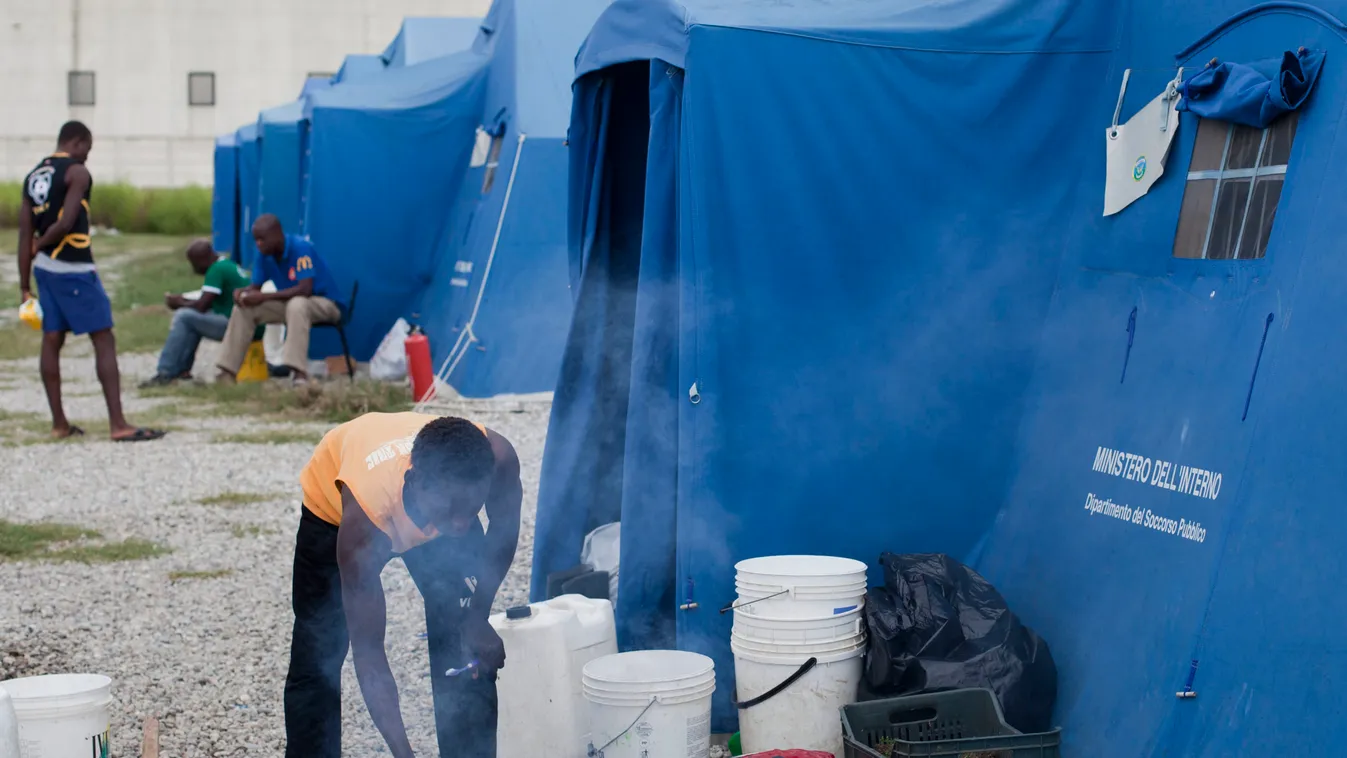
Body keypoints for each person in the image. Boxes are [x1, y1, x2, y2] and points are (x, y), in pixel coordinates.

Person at [288, 412, 522, 758]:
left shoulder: (497, 459)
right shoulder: (362, 525)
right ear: (415, 481)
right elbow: (369, 651)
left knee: (468, 643)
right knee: (318, 654)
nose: (460, 524)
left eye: (471, 509)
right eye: (453, 510)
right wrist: (404, 753)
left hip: (426, 493)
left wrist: (477, 615)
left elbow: (502, 532)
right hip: (332, 514)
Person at [15, 121, 165, 442]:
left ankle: (59, 423)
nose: (87, 157)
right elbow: (67, 221)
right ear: (79, 142)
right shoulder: (76, 173)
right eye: (88, 149)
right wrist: (41, 244)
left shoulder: (33, 176)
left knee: (52, 339)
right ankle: (118, 424)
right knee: (103, 338)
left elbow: (24, 233)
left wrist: (24, 286)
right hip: (73, 268)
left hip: (44, 270)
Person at [215, 214, 346, 384]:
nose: (258, 244)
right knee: (245, 308)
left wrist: (262, 296)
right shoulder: (264, 254)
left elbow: (305, 289)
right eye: (256, 239)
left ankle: (298, 373)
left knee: (297, 304)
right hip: (292, 305)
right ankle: (227, 372)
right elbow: (256, 287)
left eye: (262, 239)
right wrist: (243, 292)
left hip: (326, 304)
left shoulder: (301, 249)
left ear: (278, 234)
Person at [140, 239, 252, 387]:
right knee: (192, 320)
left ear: (203, 260)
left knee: (184, 317)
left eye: (194, 263)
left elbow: (201, 305)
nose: (194, 269)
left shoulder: (216, 270)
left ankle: (166, 372)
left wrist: (178, 303)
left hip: (237, 326)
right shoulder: (227, 264)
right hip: (246, 322)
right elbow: (206, 300)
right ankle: (181, 371)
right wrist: (184, 300)